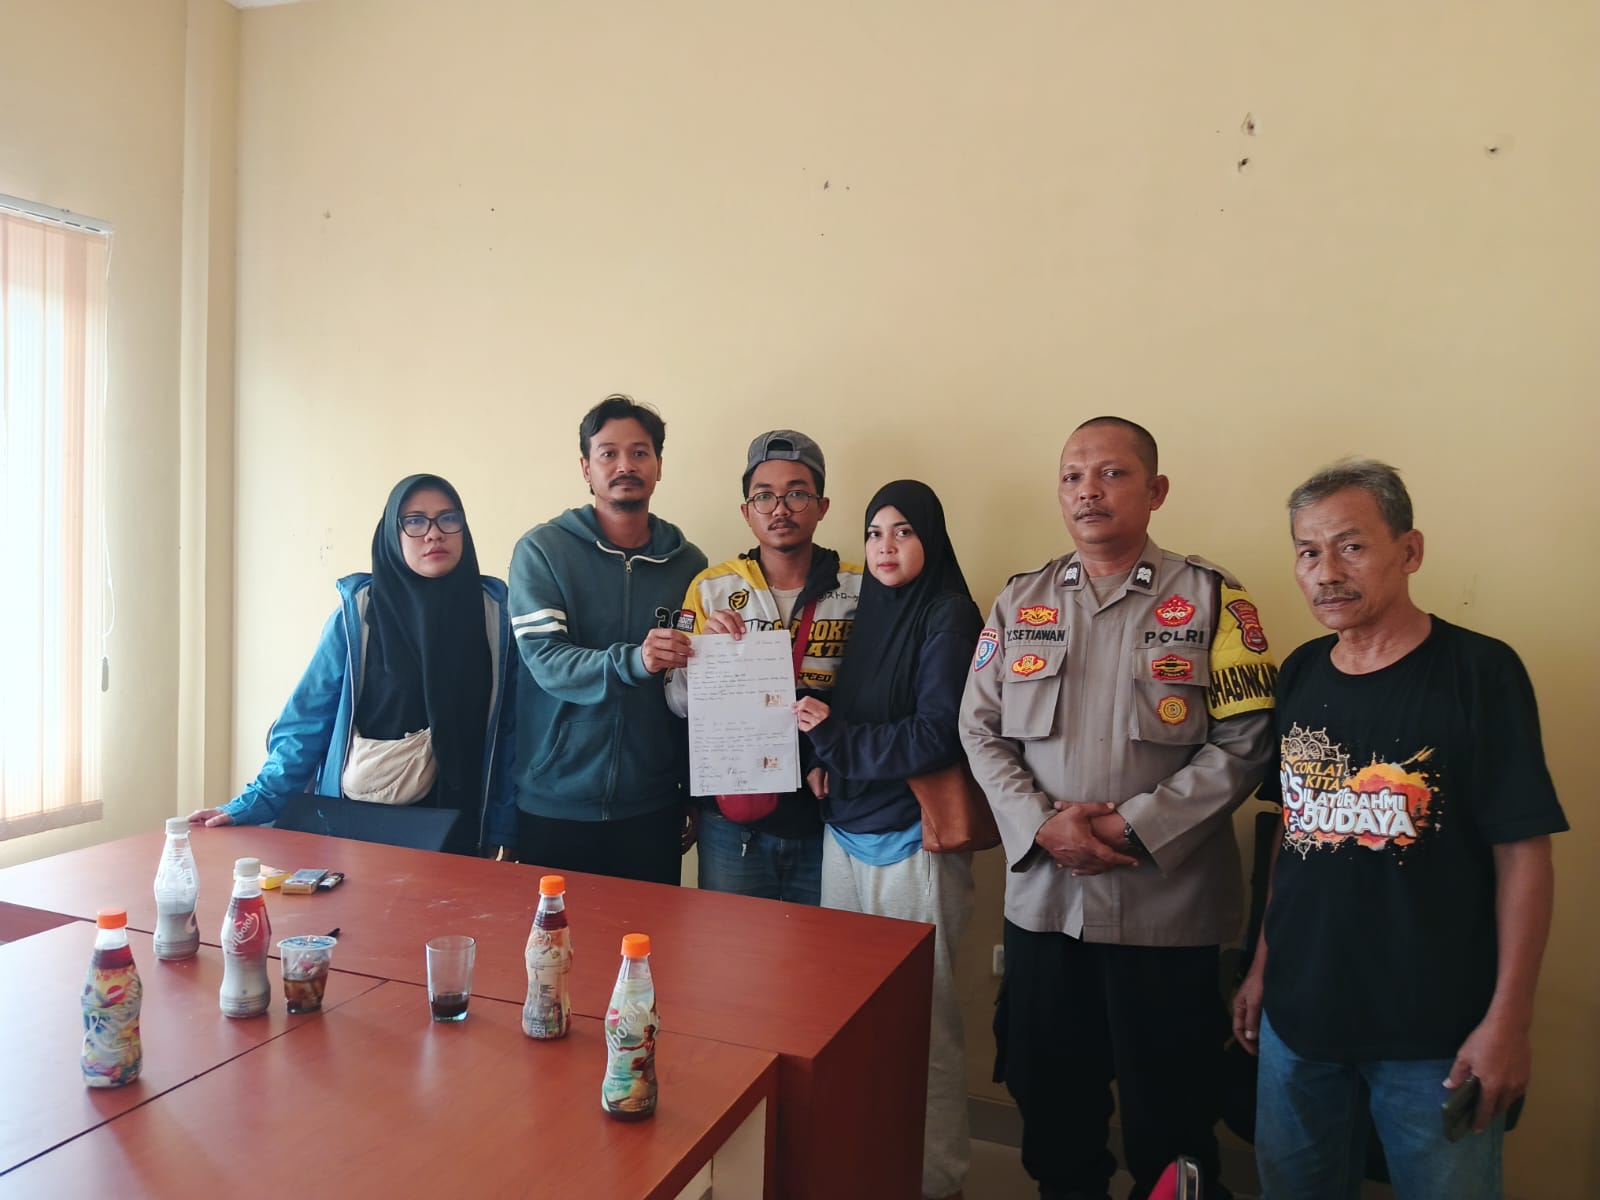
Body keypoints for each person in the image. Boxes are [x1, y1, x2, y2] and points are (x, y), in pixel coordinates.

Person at [959, 416, 1276, 1200]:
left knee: (1173, 1122)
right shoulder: (1020, 599)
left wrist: (1136, 825)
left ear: (1156, 490)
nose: (1088, 491)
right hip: (1045, 906)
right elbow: (979, 727)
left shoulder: (1214, 598)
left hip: (1165, 912)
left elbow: (1246, 739)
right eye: (1072, 476)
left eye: (1111, 473)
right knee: (1051, 1108)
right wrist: (1043, 824)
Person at [1231, 460, 1567, 1200]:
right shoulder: (1301, 672)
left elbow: (1523, 854)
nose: (1326, 572)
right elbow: (1294, 831)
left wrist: (1509, 1021)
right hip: (1300, 1017)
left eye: (1351, 547)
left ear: (1409, 551)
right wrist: (1261, 968)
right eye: (1308, 552)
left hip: (1435, 1033)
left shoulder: (1480, 673)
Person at [793, 479, 982, 1200]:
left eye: (903, 532)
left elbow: (937, 734)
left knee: (921, 1025)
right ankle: (866, 1168)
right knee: (848, 1019)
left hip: (914, 840)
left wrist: (837, 740)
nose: (885, 547)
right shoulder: (869, 610)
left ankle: (936, 1181)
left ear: (930, 538)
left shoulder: (948, 614)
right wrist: (826, 761)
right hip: (846, 833)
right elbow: (854, 710)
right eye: (875, 532)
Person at [189, 473, 516, 857]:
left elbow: (512, 732)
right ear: (391, 534)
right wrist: (254, 802)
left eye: (448, 518)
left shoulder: (494, 616)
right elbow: (307, 721)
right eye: (414, 521)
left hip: (463, 830)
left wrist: (504, 827)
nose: (433, 533)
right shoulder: (358, 615)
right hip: (364, 831)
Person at [509, 394, 707, 885]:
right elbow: (546, 660)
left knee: (650, 935)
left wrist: (694, 791)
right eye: (608, 453)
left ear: (659, 466)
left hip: (652, 805)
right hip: (555, 803)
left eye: (640, 453)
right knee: (555, 936)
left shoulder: (689, 565)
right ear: (586, 467)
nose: (625, 466)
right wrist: (635, 661)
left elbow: (695, 688)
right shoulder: (542, 551)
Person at [665, 430, 861, 905]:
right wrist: (707, 658)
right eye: (764, 496)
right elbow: (677, 702)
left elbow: (880, 691)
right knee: (731, 949)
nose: (780, 509)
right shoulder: (711, 589)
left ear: (822, 506)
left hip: (830, 814)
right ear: (746, 511)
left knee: (821, 949)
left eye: (797, 494)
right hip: (734, 820)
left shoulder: (861, 587)